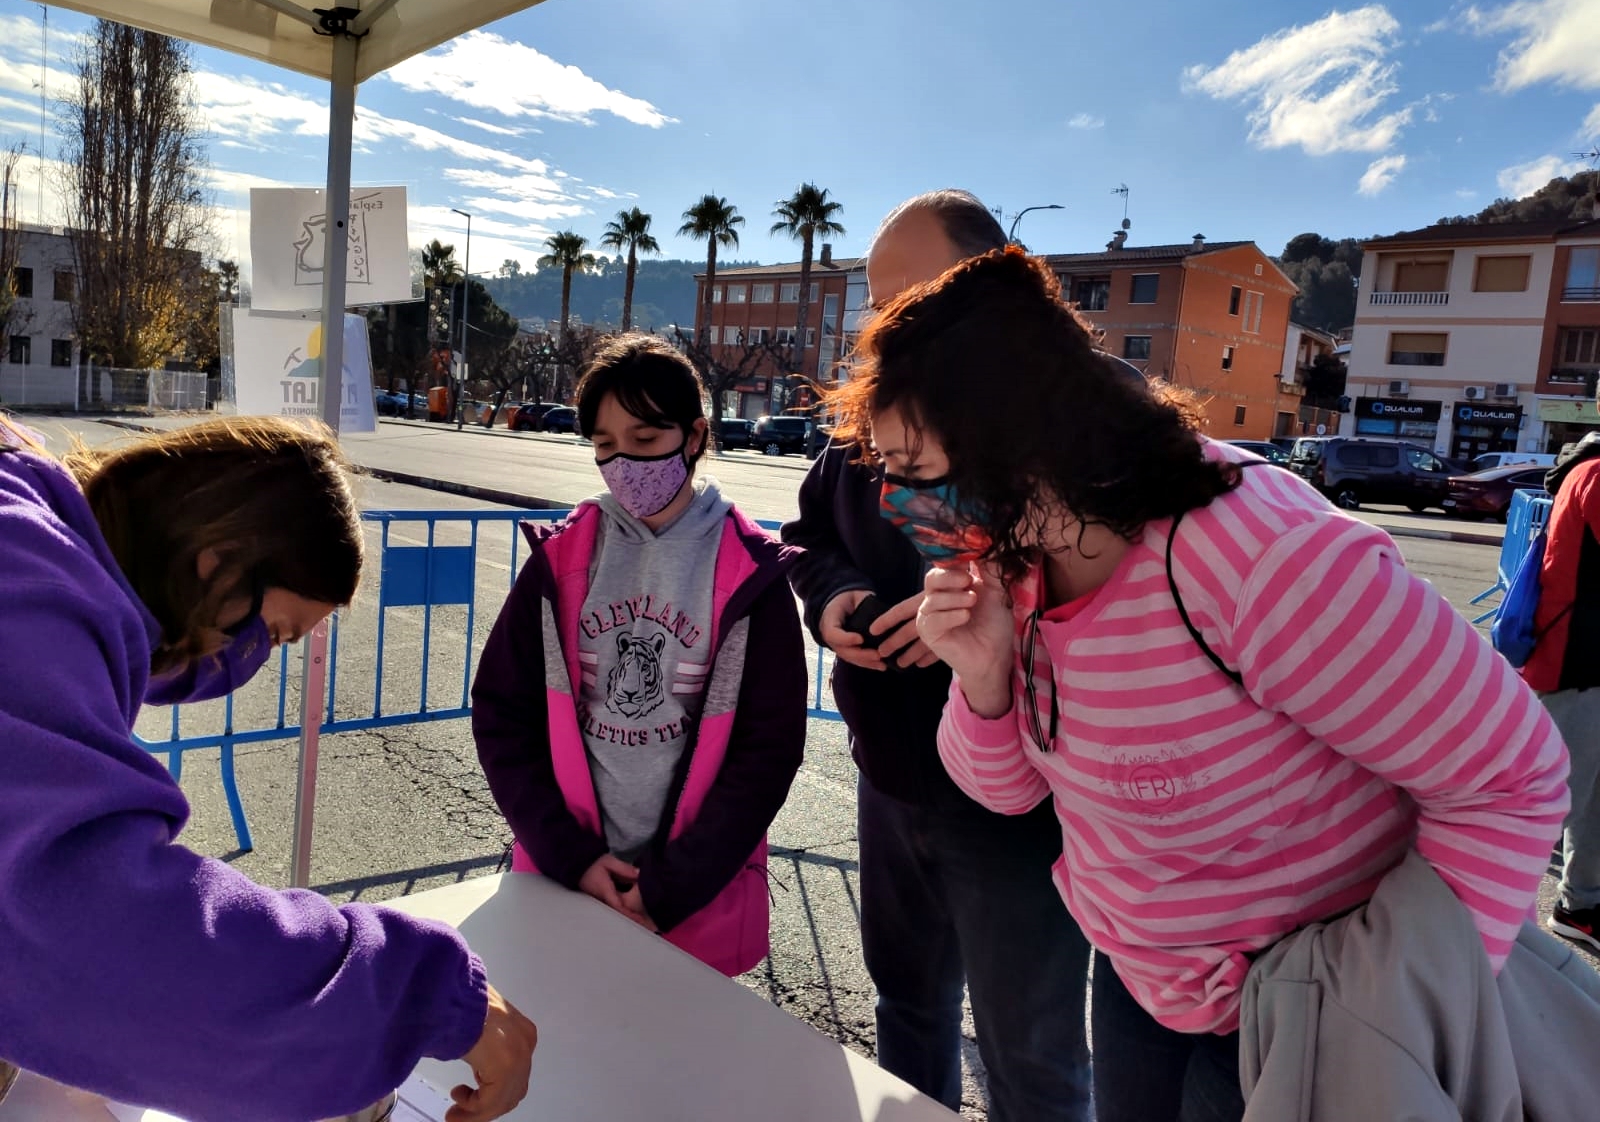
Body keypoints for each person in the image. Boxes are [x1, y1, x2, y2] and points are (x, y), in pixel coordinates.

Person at [830, 248, 1570, 1121]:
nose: (895, 500)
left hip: (1312, 1012)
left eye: (913, 471)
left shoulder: (1260, 557)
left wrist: (1394, 1009)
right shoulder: (1018, 557)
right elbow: (1007, 792)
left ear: (1019, 440)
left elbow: (1512, 777)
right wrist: (984, 676)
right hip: (1145, 985)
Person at [0, 415, 537, 1122]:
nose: (247, 662)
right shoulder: (26, 582)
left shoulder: (41, 519)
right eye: (273, 634)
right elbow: (87, 916)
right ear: (216, 563)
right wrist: (421, 993)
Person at [783, 191, 1093, 1121]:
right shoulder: (863, 423)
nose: (888, 328)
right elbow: (806, 537)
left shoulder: (1068, 426)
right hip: (891, 776)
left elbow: (1103, 589)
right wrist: (833, 600)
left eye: (912, 299)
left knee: (1031, 1057)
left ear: (996, 287)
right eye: (878, 306)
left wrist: (976, 608)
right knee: (906, 1010)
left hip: (1022, 804)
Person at [473, 334, 805, 977]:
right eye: (604, 445)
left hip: (694, 899)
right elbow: (502, 714)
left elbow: (768, 750)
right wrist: (572, 857)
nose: (624, 462)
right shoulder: (558, 561)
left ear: (695, 435)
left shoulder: (751, 573)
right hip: (564, 879)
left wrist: (669, 888)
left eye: (646, 440)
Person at [1523, 429, 1600, 950]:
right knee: (1548, 806)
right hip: (1576, 664)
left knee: (1589, 801)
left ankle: (1581, 906)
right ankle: (1468, 925)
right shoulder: (1596, 473)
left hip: (1584, 662)